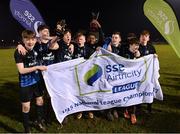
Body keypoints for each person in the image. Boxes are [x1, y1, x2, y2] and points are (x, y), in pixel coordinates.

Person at [14, 30, 47, 133]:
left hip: (37, 82)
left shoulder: (36, 48)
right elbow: (21, 70)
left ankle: (39, 121)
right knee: (26, 107)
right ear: (23, 39)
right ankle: (27, 129)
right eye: (27, 39)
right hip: (26, 84)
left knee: (40, 101)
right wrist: (37, 67)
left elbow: (50, 43)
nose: (30, 42)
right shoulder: (19, 52)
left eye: (32, 39)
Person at [122, 37, 140, 124]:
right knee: (124, 94)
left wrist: (139, 57)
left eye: (138, 45)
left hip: (134, 79)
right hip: (124, 78)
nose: (137, 47)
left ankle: (133, 113)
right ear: (130, 45)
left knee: (134, 95)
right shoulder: (124, 52)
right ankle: (125, 109)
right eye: (135, 45)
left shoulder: (137, 54)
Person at [139, 30, 157, 114]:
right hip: (139, 73)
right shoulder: (137, 46)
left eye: (146, 36)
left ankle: (149, 107)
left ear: (148, 38)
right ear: (140, 37)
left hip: (149, 73)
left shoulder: (151, 47)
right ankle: (137, 105)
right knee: (138, 88)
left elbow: (155, 59)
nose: (144, 38)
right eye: (142, 36)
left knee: (149, 87)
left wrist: (155, 57)